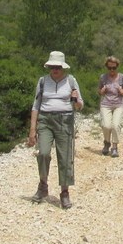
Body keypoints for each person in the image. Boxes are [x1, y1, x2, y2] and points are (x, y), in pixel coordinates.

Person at [27, 51, 83, 209]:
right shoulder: (43, 82)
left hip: (65, 120)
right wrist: (32, 129)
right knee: (43, 153)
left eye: (58, 66)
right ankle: (43, 185)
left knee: (65, 157)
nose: (55, 69)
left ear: (63, 67)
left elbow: (80, 106)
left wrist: (76, 99)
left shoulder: (71, 81)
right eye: (52, 66)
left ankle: (64, 193)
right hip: (45, 120)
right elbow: (35, 105)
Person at [98, 55, 123, 157]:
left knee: (116, 125)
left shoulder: (122, 77)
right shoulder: (103, 77)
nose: (112, 70)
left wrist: (122, 92)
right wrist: (102, 91)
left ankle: (114, 147)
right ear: (107, 67)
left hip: (119, 104)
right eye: (109, 68)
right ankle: (107, 142)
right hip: (106, 104)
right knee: (106, 125)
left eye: (114, 68)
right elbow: (99, 91)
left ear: (117, 67)